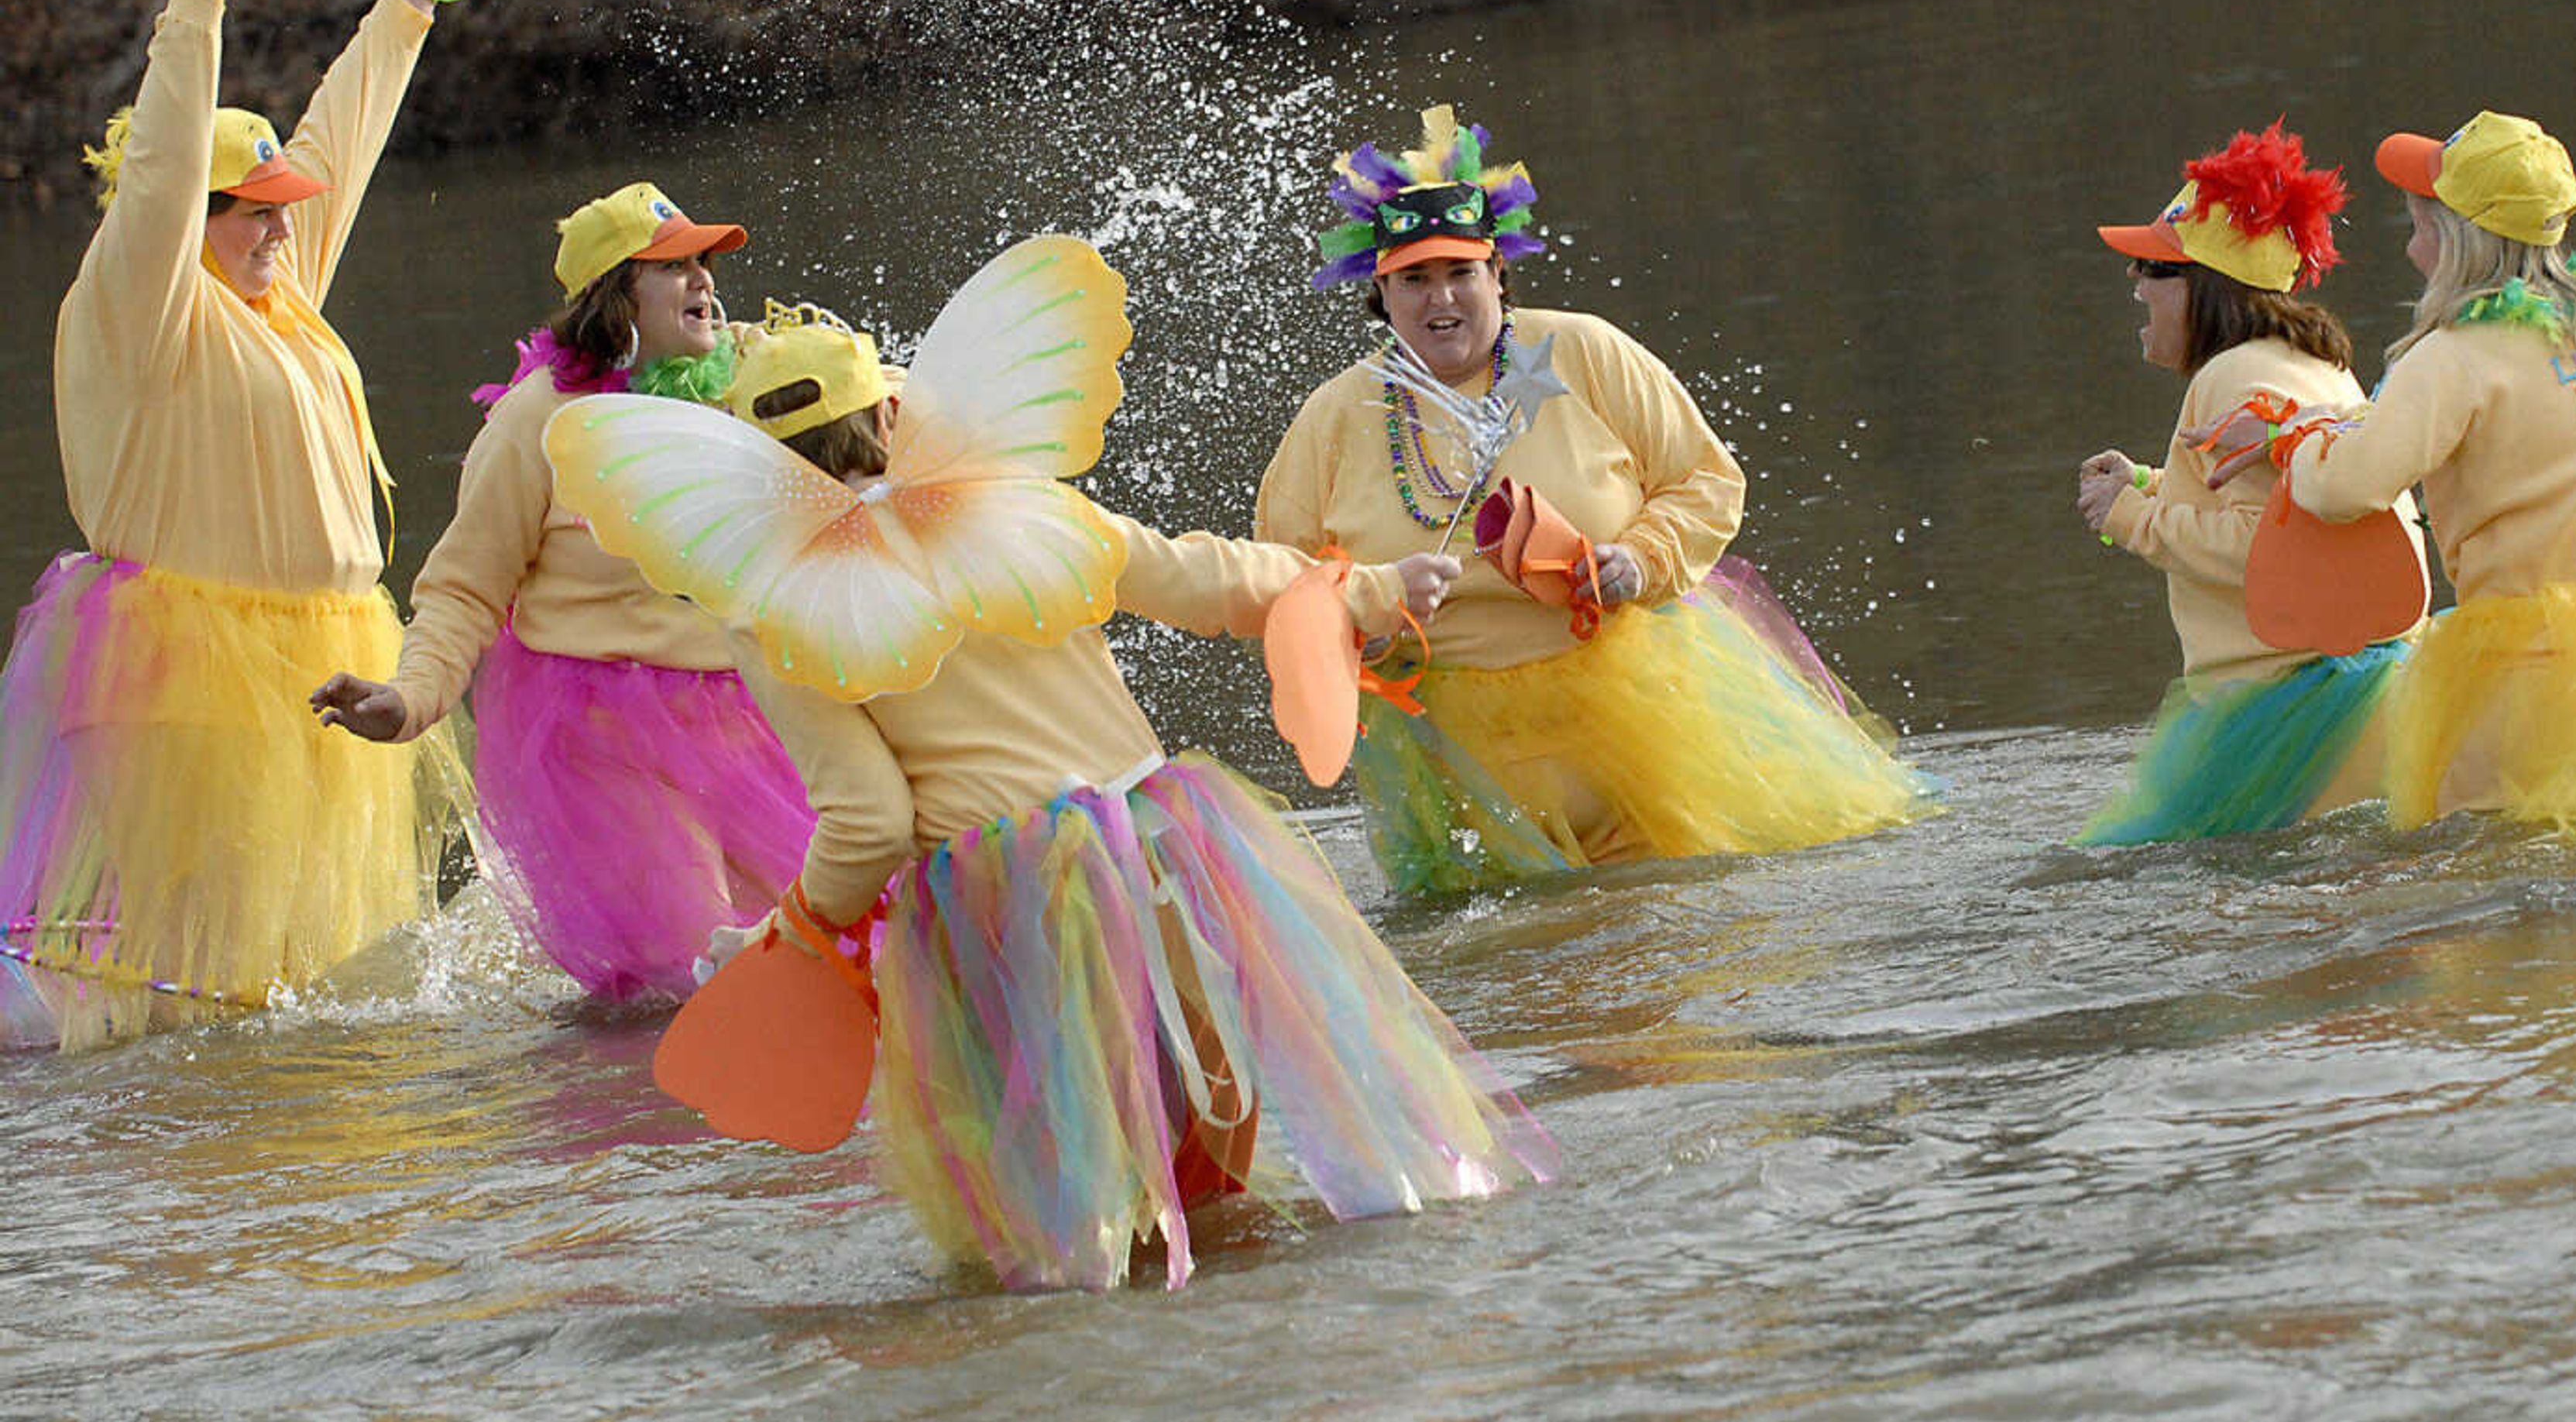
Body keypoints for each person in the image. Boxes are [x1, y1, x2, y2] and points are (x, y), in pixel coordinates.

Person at [543, 240, 1551, 1287]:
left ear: (763, 473)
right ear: (891, 420)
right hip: (1165, 846)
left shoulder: (772, 607)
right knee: (1208, 1179)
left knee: (1073, 1225)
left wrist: (792, 932)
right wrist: (1372, 587)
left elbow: (870, 824)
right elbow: (1207, 580)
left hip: (1005, 899)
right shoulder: (1014, 505)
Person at [0, 0, 469, 1050]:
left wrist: (407, 3)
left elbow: (339, 147)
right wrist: (196, 0)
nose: (280, 225)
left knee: (281, 983)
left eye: (278, 208)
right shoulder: (142, 301)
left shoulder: (280, 295)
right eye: (251, 207)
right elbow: (161, 177)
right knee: (156, 964)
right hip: (188, 666)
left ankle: (235, 1153)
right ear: (188, 225)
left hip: (316, 663)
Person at [1255, 104, 1925, 898]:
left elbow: (1706, 480)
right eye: (1415, 279)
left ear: (1498, 272)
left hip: (1645, 727)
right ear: (1381, 290)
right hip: (1454, 766)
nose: (1442, 300)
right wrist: (1365, 623)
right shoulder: (1335, 414)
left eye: (1461, 272)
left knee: (1676, 946)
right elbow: (1278, 585)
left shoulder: (1585, 349)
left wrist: (1637, 561)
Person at [2206, 110, 2576, 831]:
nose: (2411, 246)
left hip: (2529, 672)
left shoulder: (2451, 355)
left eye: (2419, 225)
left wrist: (2292, 442)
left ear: (2455, 240)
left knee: (2508, 874)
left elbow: (2349, 487)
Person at [307, 184, 809, 1001]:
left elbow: (864, 415)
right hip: (605, 735)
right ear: (616, 295)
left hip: (742, 715)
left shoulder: (749, 380)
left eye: (703, 263)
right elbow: (465, 589)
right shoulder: (535, 421)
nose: (705, 283)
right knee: (695, 982)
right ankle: (613, 1121)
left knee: (818, 961)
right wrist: (409, 699)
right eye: (673, 267)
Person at [2074, 125, 2421, 842]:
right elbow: (2278, 503)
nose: (2135, 281)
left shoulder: (2236, 375)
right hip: (2346, 691)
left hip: (2293, 714)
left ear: (2205, 290)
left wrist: (2133, 516)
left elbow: (2272, 545)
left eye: (2156, 269)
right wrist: (2148, 481)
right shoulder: (2307, 361)